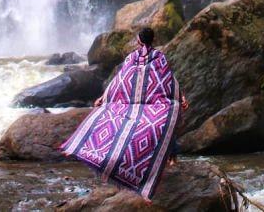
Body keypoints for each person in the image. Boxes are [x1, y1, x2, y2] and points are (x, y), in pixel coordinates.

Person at [60, 26, 189, 203]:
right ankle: (168, 162)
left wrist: (104, 98)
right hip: (156, 105)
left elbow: (119, 81)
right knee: (166, 122)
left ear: (138, 41)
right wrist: (180, 97)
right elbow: (169, 80)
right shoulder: (160, 58)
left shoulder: (132, 58)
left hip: (131, 104)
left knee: (114, 122)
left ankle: (110, 160)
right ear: (153, 40)